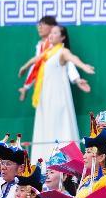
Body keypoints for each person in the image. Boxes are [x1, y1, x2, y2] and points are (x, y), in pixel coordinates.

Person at [18, 24, 95, 162]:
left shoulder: (62, 52)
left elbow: (73, 59)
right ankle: (44, 163)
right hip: (45, 98)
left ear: (63, 37)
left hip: (58, 98)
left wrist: (83, 67)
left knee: (60, 126)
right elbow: (34, 60)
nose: (51, 35)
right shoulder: (47, 53)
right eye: (51, 33)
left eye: (55, 33)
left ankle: (66, 162)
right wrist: (24, 67)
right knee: (46, 128)